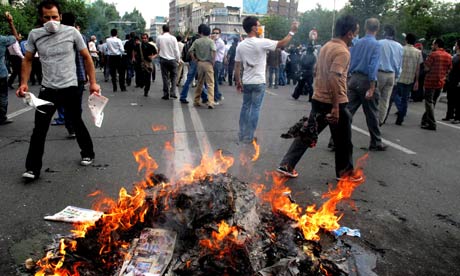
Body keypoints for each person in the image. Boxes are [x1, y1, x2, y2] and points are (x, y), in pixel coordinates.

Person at [16, 0, 100, 180]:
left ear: (60, 17)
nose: (51, 20)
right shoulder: (35, 35)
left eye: (55, 16)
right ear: (41, 18)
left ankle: (88, 153)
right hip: (48, 90)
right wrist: (23, 82)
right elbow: (27, 59)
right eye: (47, 17)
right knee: (39, 129)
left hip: (70, 87)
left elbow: (87, 57)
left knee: (75, 121)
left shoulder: (72, 32)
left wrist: (93, 82)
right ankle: (32, 169)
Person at [276, 15, 360, 181]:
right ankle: (345, 173)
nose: (356, 37)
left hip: (318, 98)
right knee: (343, 140)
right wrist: (336, 107)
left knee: (308, 133)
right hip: (334, 102)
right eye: (356, 33)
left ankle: (287, 165)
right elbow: (334, 77)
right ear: (349, 33)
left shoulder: (327, 46)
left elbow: (316, 70)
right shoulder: (342, 51)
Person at [234, 16, 298, 144]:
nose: (260, 27)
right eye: (258, 25)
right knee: (255, 109)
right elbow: (282, 43)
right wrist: (292, 31)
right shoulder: (261, 42)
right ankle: (249, 136)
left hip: (246, 81)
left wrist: (238, 82)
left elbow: (237, 65)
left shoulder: (240, 45)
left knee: (245, 107)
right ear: (253, 28)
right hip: (259, 82)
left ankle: (242, 134)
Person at [347, 18, 386, 151]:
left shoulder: (356, 43)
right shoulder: (376, 45)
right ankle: (376, 142)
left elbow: (349, 61)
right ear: (377, 29)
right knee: (372, 113)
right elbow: (373, 66)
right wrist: (372, 86)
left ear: (365, 28)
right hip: (366, 81)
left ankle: (335, 141)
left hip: (353, 79)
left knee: (347, 112)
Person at [420, 38, 452, 130]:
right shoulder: (449, 56)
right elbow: (449, 69)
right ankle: (425, 119)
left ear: (437, 45)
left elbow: (426, 68)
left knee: (429, 102)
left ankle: (431, 123)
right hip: (440, 82)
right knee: (432, 102)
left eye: (433, 44)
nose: (432, 46)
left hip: (430, 81)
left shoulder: (433, 55)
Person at [392, 33, 423, 125]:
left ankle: (400, 110)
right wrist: (417, 81)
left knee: (394, 95)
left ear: (406, 40)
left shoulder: (401, 49)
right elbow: (418, 68)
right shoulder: (418, 52)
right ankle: (400, 118)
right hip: (410, 78)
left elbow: (396, 63)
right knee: (405, 98)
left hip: (399, 77)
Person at [376, 24, 403, 126]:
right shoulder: (399, 46)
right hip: (391, 75)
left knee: (376, 98)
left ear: (384, 32)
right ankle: (381, 120)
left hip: (380, 73)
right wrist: (397, 76)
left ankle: (374, 119)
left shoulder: (379, 43)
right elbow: (399, 63)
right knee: (385, 99)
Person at [188, 24, 216, 109]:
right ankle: (210, 102)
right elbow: (214, 51)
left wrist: (194, 59)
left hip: (199, 63)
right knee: (210, 83)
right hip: (208, 63)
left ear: (201, 32)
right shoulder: (211, 41)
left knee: (200, 82)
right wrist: (213, 61)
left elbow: (190, 50)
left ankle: (196, 100)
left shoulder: (197, 41)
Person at [0, 12, 20, 126]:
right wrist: (10, 22)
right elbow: (16, 37)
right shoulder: (2, 39)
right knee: (2, 95)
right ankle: (2, 117)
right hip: (1, 73)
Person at [156, 25, 180, 100]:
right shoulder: (173, 38)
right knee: (174, 76)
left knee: (165, 77)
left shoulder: (159, 38)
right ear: (169, 30)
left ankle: (166, 94)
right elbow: (176, 50)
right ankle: (173, 92)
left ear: (163, 30)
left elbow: (158, 46)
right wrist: (178, 59)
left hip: (163, 59)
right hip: (172, 60)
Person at [442, 39, 460, 123]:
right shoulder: (455, 56)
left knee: (457, 100)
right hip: (451, 80)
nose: (455, 45)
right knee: (450, 98)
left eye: (456, 44)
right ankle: (449, 115)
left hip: (457, 81)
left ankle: (457, 117)